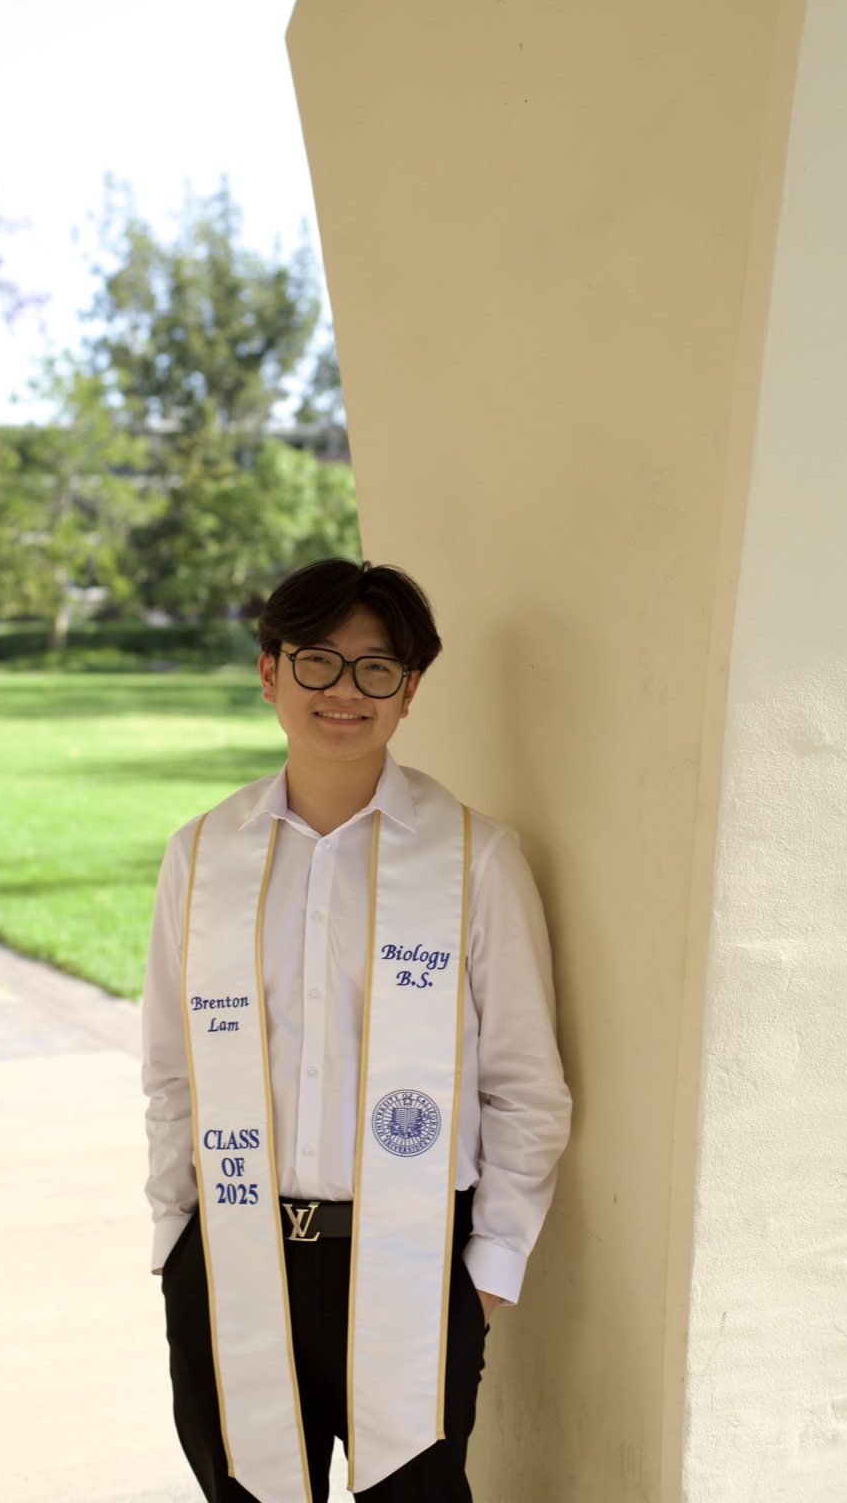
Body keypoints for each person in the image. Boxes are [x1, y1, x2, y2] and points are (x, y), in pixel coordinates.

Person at [142, 558, 571, 1503]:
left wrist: (488, 1272)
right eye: (318, 662)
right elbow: (172, 1068)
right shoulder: (203, 854)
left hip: (413, 1265)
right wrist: (177, 1233)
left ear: (411, 690)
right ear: (269, 671)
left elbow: (526, 1085)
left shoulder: (476, 860)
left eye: (377, 668)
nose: (345, 691)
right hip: (230, 1262)